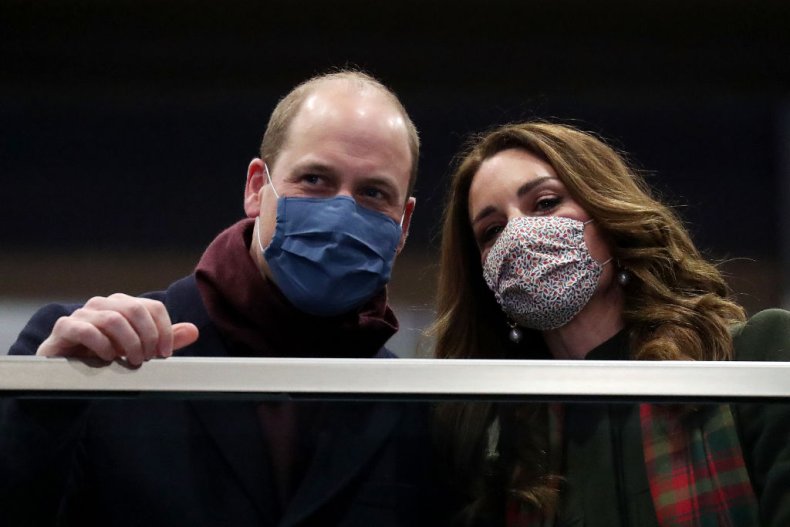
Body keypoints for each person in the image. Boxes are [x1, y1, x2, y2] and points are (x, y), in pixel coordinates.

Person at [1, 70, 445, 526]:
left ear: (404, 223)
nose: (341, 210)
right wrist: (42, 409)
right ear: (257, 188)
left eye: (373, 192)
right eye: (314, 179)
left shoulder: (414, 405)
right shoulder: (92, 355)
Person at [431, 121, 790, 526]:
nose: (517, 235)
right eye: (492, 230)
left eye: (546, 203)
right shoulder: (506, 458)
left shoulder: (751, 360)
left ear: (607, 212)